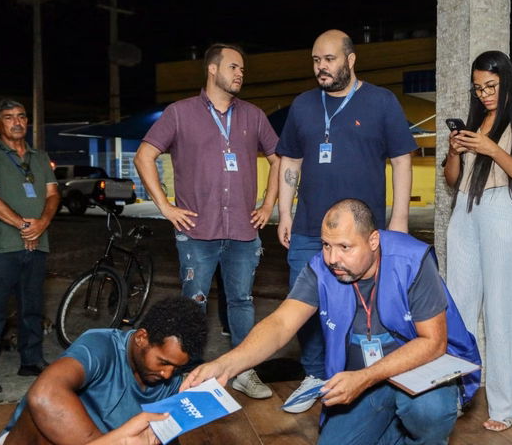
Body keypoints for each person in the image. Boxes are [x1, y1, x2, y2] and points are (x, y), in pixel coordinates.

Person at [182, 199, 481, 445]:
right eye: (326, 245)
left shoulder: (412, 260)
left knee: (428, 412)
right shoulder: (321, 270)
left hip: (416, 371)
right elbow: (280, 325)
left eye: (344, 247)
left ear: (373, 241)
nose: (332, 258)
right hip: (362, 379)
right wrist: (226, 364)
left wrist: (364, 378)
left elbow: (434, 342)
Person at [276, 30, 418, 412]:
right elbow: (290, 160)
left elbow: (402, 160)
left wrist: (399, 219)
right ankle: (314, 377)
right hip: (309, 230)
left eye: (330, 59)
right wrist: (285, 212)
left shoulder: (382, 102)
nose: (322, 67)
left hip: (360, 235)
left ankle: (359, 378)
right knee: (305, 308)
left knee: (362, 308)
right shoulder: (303, 105)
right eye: (316, 60)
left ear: (350, 60)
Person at [134, 43, 280, 399]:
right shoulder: (180, 113)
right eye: (233, 67)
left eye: (242, 69)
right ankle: (191, 375)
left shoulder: (254, 115)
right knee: (194, 303)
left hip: (244, 231)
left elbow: (280, 159)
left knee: (242, 301)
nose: (240, 74)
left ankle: (243, 372)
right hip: (197, 231)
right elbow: (144, 156)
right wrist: (166, 207)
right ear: (212, 70)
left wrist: (268, 205)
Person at [443, 50, 512, 431]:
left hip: (504, 211)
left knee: (504, 311)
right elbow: (453, 180)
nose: (484, 94)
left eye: (491, 86)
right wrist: (455, 151)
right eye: (478, 88)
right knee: (460, 308)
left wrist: (492, 149)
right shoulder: (475, 122)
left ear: (507, 81)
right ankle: (457, 392)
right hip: (464, 213)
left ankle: (504, 404)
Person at [0, 296, 208, 445]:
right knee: (39, 416)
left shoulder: (170, 383)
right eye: (163, 362)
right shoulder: (100, 345)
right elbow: (44, 396)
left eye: (177, 367)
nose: (168, 374)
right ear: (141, 337)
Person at [0, 99, 59, 394]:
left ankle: (30, 360)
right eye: (9, 118)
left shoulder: (39, 156)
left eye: (21, 116)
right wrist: (24, 226)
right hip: (1, 248)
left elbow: (53, 194)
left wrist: (41, 223)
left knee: (31, 308)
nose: (17, 122)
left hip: (36, 244)